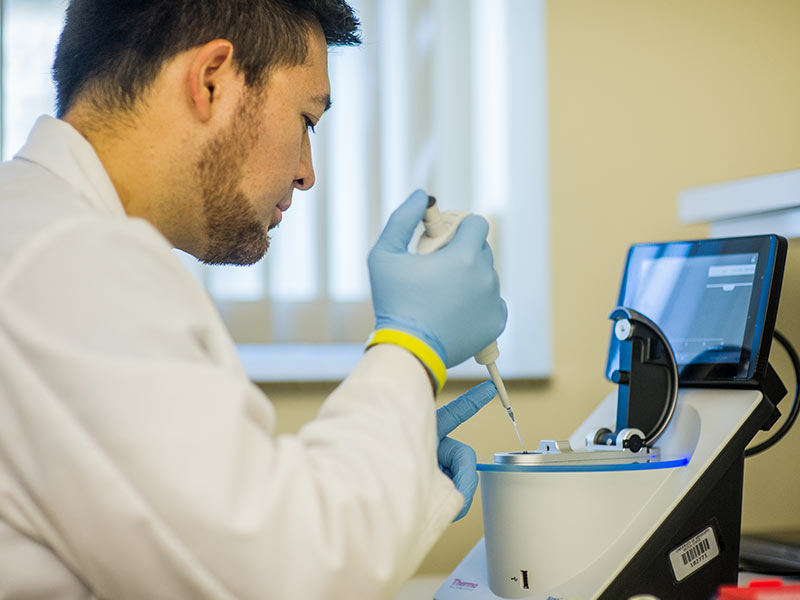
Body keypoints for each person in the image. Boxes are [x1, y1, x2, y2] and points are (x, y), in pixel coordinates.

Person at [0, 0, 507, 598]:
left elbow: (206, 529)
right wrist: (410, 346)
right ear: (211, 81)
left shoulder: (41, 233)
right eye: (307, 120)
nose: (306, 173)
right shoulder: (67, 265)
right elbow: (285, 573)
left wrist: (397, 459)